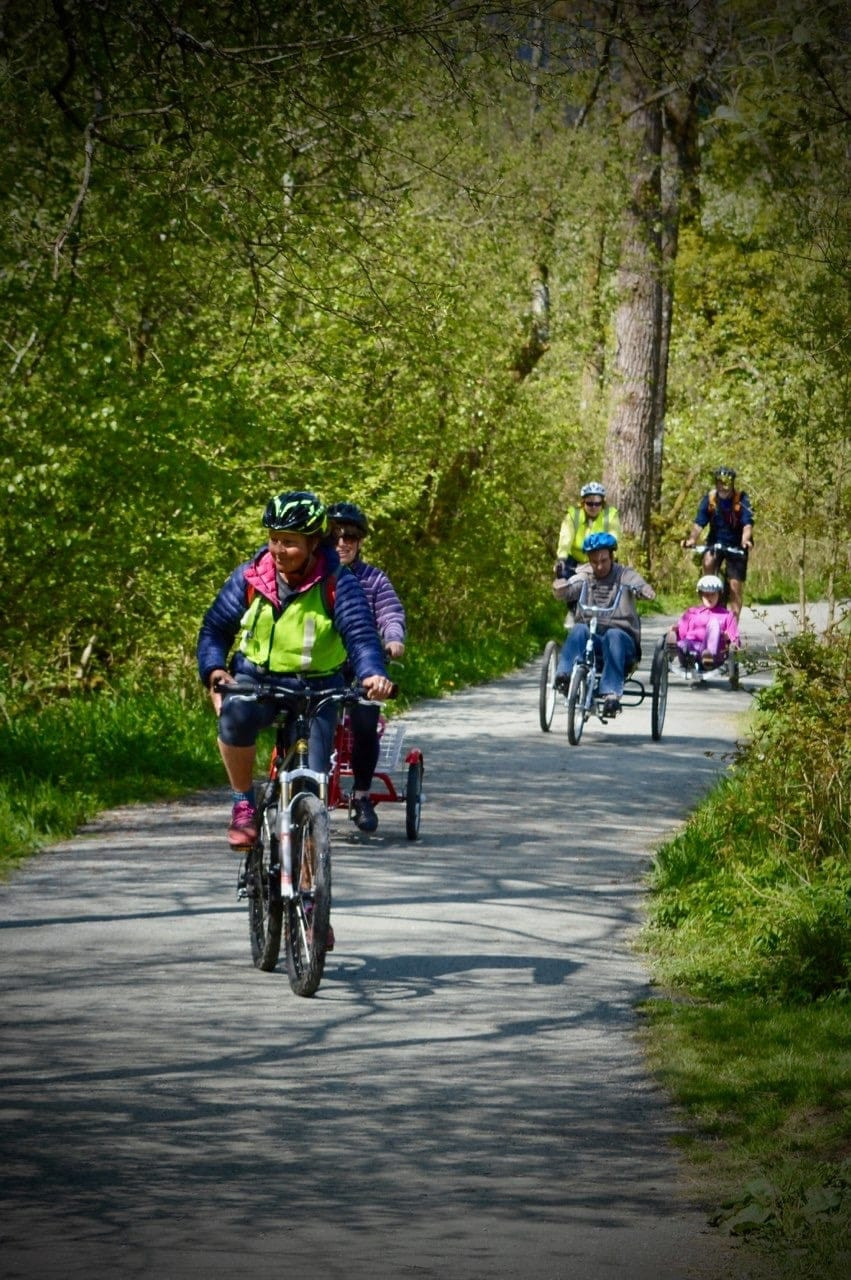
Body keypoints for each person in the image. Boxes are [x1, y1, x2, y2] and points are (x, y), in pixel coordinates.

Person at [197, 490, 393, 851]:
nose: (277, 550)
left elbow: (361, 634)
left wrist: (371, 674)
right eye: (273, 539)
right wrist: (213, 671)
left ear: (313, 543)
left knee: (313, 784)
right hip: (257, 679)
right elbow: (215, 629)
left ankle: (307, 880)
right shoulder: (251, 577)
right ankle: (243, 804)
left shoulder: (338, 582)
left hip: (317, 687)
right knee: (234, 718)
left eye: (289, 542)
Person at [326, 501, 407, 834]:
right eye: (335, 537)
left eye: (350, 537)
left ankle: (360, 796)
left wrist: (393, 639)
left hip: (365, 667)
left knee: (364, 722)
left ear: (359, 542)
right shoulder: (315, 576)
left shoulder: (374, 579)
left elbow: (390, 613)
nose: (342, 543)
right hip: (324, 666)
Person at [552, 531, 656, 718]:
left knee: (613, 635)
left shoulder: (624, 575)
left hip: (622, 643)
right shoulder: (585, 575)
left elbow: (638, 584)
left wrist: (643, 590)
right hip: (593, 640)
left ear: (612, 557)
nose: (599, 566)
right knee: (579, 629)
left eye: (604, 560)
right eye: (594, 561)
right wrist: (561, 588)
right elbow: (570, 587)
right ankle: (563, 675)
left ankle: (611, 695)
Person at [682, 465, 754, 619]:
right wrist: (692, 539)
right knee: (708, 561)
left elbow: (747, 524)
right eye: (720, 482)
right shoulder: (710, 499)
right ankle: (708, 604)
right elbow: (699, 522)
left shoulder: (741, 499)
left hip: (736, 546)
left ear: (732, 483)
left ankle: (732, 628)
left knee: (735, 586)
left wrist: (745, 540)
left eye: (727, 482)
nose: (723, 486)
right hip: (715, 543)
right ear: (716, 482)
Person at [667, 574, 741, 672]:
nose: (709, 598)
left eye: (713, 594)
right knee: (682, 643)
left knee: (714, 624)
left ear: (719, 595)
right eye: (706, 594)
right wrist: (675, 630)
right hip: (691, 651)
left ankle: (708, 657)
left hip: (714, 653)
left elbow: (736, 641)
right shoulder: (691, 612)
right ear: (701, 595)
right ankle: (674, 650)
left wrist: (729, 639)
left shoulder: (727, 615)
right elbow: (682, 635)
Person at [554, 481, 621, 581]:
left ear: (602, 503)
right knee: (563, 579)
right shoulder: (574, 515)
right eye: (589, 503)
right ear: (583, 503)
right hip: (575, 561)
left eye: (597, 504)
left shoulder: (610, 515)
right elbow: (565, 538)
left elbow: (614, 537)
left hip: (601, 559)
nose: (593, 507)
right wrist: (561, 558)